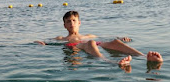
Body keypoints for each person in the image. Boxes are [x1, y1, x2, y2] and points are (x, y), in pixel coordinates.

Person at [34, 11, 163, 68]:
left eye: (74, 20)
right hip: (77, 46)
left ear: (79, 23)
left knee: (114, 42)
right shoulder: (62, 38)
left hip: (95, 43)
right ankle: (110, 62)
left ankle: (143, 56)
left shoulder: (89, 35)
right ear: (64, 25)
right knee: (89, 43)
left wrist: (120, 38)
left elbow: (104, 38)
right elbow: (48, 41)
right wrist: (41, 43)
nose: (71, 23)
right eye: (68, 21)